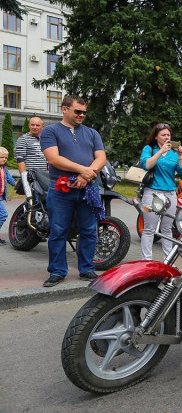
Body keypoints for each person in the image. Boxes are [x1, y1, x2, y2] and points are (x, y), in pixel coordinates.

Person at [40, 95, 107, 287]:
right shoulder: (50, 131)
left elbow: (101, 158)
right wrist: (82, 170)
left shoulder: (92, 133)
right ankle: (57, 271)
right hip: (61, 188)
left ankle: (86, 269)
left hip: (88, 187)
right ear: (64, 109)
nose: (82, 115)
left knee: (89, 230)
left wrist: (86, 175)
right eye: (78, 111)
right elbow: (53, 159)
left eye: (84, 112)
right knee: (58, 230)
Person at [139, 123, 182, 260]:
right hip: (152, 193)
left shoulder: (173, 153)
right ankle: (146, 261)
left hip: (170, 194)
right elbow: (147, 164)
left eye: (168, 135)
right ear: (156, 137)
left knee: (167, 229)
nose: (167, 137)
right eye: (163, 135)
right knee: (149, 229)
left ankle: (168, 260)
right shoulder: (149, 149)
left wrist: (180, 155)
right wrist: (160, 151)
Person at [0, 147, 17, 246]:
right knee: (3, 215)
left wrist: (21, 184)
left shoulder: (5, 170)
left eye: (6, 158)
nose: (4, 159)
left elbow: (11, 181)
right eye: (1, 157)